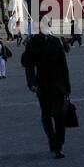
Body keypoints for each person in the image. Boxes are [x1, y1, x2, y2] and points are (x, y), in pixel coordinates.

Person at [21, 27, 71, 158]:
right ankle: (55, 142)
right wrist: (31, 83)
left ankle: (57, 144)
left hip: (51, 84)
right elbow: (28, 65)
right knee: (50, 115)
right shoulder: (42, 42)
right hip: (48, 84)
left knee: (53, 115)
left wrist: (67, 86)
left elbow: (63, 65)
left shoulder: (47, 42)